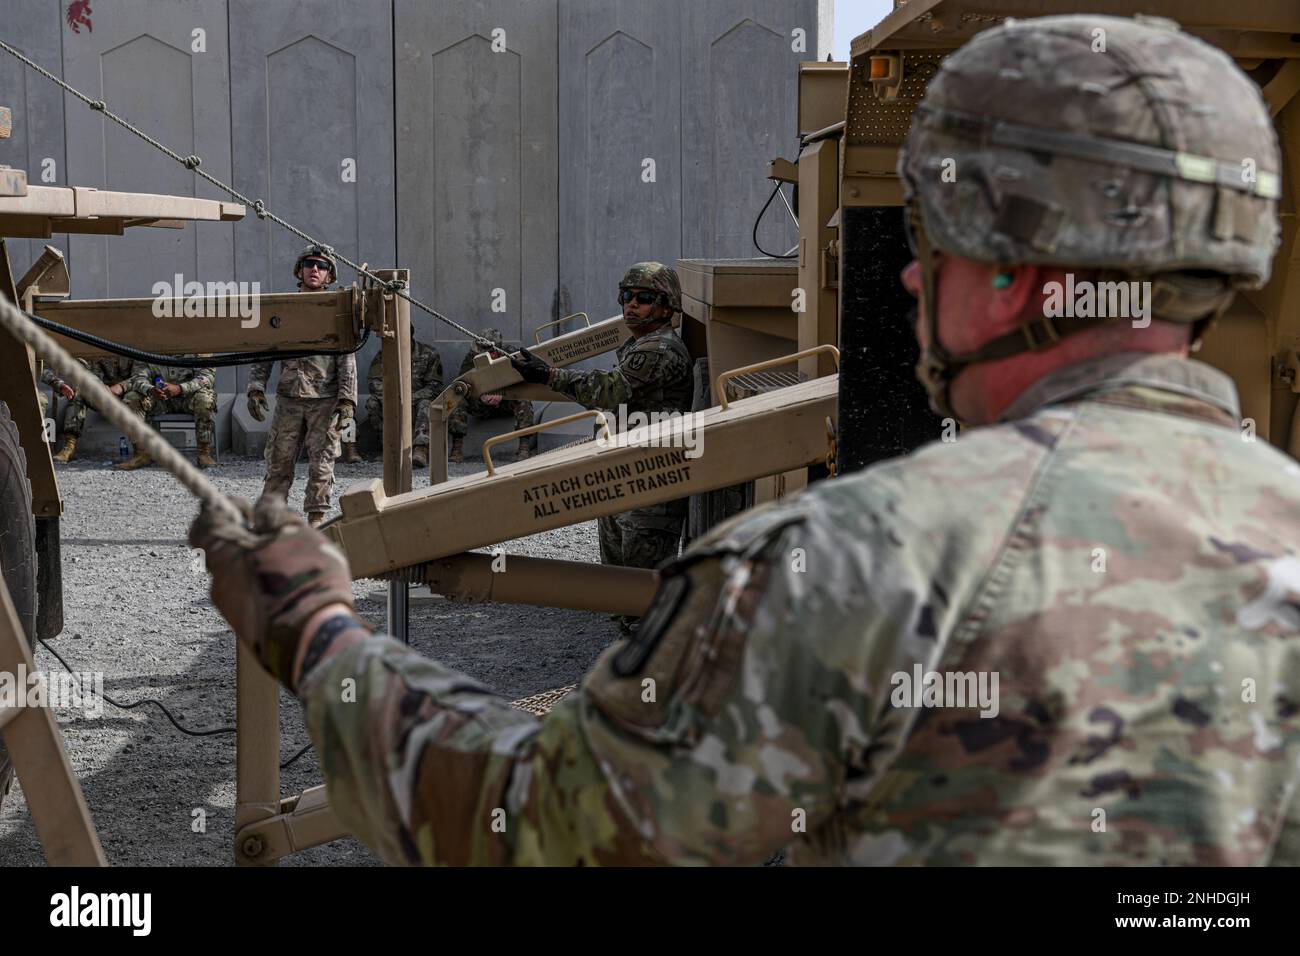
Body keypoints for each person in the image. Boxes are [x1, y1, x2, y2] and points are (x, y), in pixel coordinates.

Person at [190, 15, 1300, 866]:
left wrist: (313, 629)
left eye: (938, 238)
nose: (912, 273)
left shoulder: (861, 559)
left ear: (1010, 261)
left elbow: (537, 822)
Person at [512, 263, 693, 580]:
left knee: (642, 587)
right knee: (618, 581)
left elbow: (609, 391)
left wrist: (548, 375)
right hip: (630, 472)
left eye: (644, 297)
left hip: (651, 482)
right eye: (627, 295)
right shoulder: (640, 344)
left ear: (666, 308)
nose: (631, 304)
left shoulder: (659, 349)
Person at [246, 244, 357, 526]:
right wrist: (256, 387)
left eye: (322, 267)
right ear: (300, 270)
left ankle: (316, 519)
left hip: (325, 398)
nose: (315, 270)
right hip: (289, 399)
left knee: (322, 462)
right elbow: (267, 349)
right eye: (309, 264)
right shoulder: (284, 308)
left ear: (330, 276)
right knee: (279, 460)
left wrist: (347, 400)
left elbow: (347, 357)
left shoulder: (336, 311)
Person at [447, 328, 533, 464]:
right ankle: (457, 450)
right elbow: (462, 383)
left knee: (523, 399)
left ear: (495, 352)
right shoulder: (472, 357)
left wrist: (503, 394)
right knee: (458, 400)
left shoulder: (512, 355)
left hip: (506, 403)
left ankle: (524, 448)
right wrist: (479, 395)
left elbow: (525, 380)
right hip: (480, 404)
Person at [364, 326, 444, 467]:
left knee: (426, 404)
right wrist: (391, 399)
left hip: (417, 402)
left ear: (410, 336)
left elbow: (434, 386)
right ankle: (388, 447)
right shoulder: (384, 355)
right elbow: (374, 382)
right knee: (372, 403)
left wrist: (409, 400)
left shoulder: (428, 353)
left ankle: (421, 449)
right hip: (392, 402)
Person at [114, 362, 217, 469]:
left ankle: (204, 453)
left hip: (189, 398)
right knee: (132, 398)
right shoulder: (150, 349)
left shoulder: (199, 349)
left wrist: (179, 388)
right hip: (160, 398)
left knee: (205, 399)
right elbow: (138, 378)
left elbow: (206, 378)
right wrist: (151, 389)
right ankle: (141, 454)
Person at [51, 356, 136, 463]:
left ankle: (140, 450)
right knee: (79, 393)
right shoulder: (95, 351)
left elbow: (142, 376)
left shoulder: (133, 350)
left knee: (136, 397)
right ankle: (69, 447)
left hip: (127, 396)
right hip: (102, 398)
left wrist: (121, 386)